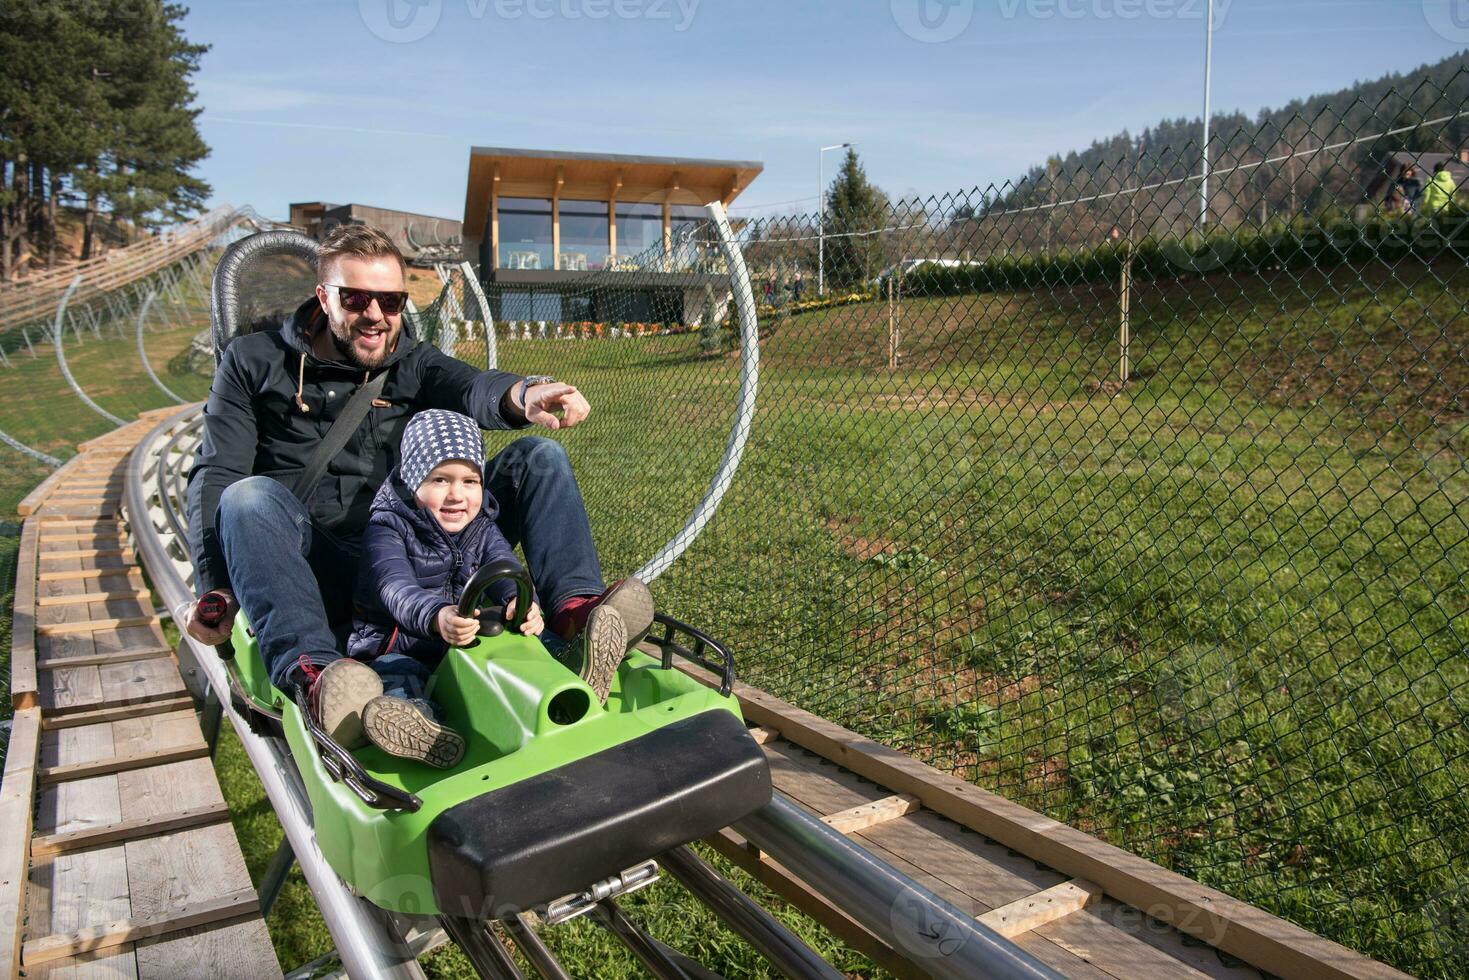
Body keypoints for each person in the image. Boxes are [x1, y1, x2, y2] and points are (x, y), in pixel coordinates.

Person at [182, 225, 654, 735]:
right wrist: (217, 588)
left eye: (390, 301)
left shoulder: (411, 362)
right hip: (313, 562)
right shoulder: (253, 361)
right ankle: (319, 677)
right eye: (356, 298)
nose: (375, 316)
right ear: (324, 297)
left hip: (410, 546)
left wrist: (524, 393)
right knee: (247, 497)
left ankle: (575, 615)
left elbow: (472, 386)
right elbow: (218, 472)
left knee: (538, 457)